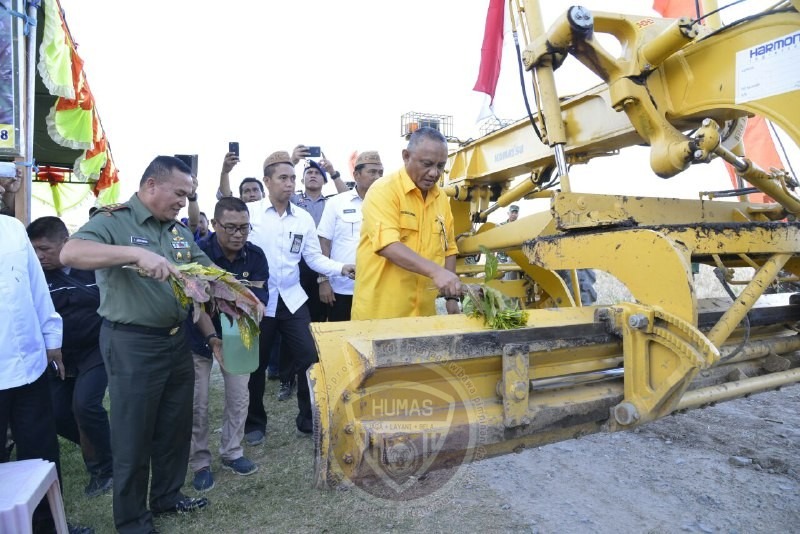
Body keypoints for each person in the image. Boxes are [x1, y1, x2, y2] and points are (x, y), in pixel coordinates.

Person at [60, 156, 220, 534]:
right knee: (133, 434)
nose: (184, 201)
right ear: (151, 186)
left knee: (173, 426)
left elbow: (204, 270)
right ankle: (132, 520)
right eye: (179, 193)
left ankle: (166, 496)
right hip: (132, 343)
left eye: (188, 195)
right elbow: (71, 252)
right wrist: (135, 253)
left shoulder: (178, 232)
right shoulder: (115, 220)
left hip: (176, 339)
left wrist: (222, 289)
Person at [244, 150, 355, 440]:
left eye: (292, 178)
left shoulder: (304, 218)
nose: (290, 183)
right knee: (255, 366)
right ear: (267, 181)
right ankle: (255, 423)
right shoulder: (252, 215)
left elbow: (314, 258)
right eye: (283, 178)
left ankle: (308, 419)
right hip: (260, 303)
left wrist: (341, 268)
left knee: (310, 358)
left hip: (293, 300)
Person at [0, 211, 95, 534]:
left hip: (29, 363)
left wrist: (52, 338)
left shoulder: (12, 229)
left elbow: (36, 289)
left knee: (41, 454)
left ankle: (49, 526)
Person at [27, 216, 113, 499]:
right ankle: (107, 445)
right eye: (34, 250)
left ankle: (104, 469)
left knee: (85, 405)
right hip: (57, 356)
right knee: (57, 414)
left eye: (45, 249)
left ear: (65, 243)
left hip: (95, 349)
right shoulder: (33, 278)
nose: (39, 257)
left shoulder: (90, 268)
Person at [188, 197, 268, 492]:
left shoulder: (256, 256)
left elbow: (260, 299)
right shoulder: (199, 253)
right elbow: (192, 301)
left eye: (244, 228)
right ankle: (200, 462)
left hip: (239, 336)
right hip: (198, 336)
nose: (238, 234)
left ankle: (232, 451)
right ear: (216, 225)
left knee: (239, 397)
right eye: (231, 228)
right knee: (198, 402)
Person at [352, 127, 461, 320]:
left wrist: (451, 297)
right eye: (427, 164)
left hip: (425, 316)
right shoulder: (384, 191)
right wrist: (435, 271)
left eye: (440, 166)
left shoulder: (441, 198)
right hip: (382, 315)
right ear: (406, 156)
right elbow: (387, 245)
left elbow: (449, 249)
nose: (434, 173)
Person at [317, 151, 383, 321]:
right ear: (356, 175)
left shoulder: (388, 204)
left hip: (378, 289)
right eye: (372, 172)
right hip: (342, 289)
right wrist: (323, 281)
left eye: (380, 172)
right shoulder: (337, 203)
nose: (377, 177)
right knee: (341, 339)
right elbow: (324, 244)